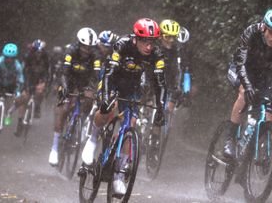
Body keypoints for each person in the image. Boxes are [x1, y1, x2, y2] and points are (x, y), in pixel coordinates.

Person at [79, 18, 167, 195]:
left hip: (133, 86)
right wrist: (105, 98)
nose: (149, 47)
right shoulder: (122, 44)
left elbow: (160, 84)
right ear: (135, 38)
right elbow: (109, 74)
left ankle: (119, 175)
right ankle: (93, 138)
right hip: (113, 80)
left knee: (131, 124)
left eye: (152, 42)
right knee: (109, 109)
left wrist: (160, 108)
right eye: (144, 41)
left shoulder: (157, 54)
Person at [48, 27, 101, 166]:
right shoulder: (70, 50)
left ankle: (80, 122)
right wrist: (64, 87)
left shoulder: (95, 55)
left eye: (89, 47)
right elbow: (64, 72)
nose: (86, 50)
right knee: (63, 109)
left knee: (89, 101)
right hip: (68, 80)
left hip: (85, 82)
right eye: (84, 46)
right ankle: (54, 147)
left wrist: (91, 89)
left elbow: (96, 75)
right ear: (78, 43)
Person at [224, 9, 272, 159]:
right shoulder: (251, 33)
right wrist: (248, 86)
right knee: (244, 92)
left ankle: (261, 150)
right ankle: (230, 140)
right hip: (240, 68)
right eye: (271, 33)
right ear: (264, 27)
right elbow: (241, 63)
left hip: (262, 75)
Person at [158, 19, 193, 127]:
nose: (170, 41)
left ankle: (165, 119)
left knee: (176, 92)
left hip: (172, 77)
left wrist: (186, 92)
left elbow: (184, 72)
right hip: (159, 73)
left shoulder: (181, 53)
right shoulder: (159, 47)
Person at [23, 39, 50, 119]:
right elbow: (25, 69)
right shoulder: (28, 55)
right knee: (26, 92)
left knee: (40, 92)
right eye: (36, 52)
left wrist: (45, 82)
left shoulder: (45, 56)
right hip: (30, 75)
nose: (38, 54)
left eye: (40, 52)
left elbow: (47, 70)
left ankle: (37, 107)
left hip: (41, 75)